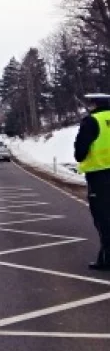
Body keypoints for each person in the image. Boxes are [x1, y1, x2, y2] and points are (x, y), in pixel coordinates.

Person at [74, 93, 110, 270]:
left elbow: (79, 152)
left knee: (104, 218)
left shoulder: (91, 121)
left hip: (99, 177)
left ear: (95, 104)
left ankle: (107, 259)